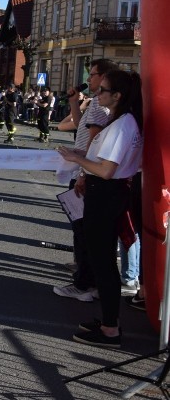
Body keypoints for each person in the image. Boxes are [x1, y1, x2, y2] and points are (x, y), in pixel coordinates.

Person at [57, 69, 143, 348]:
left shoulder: (123, 124)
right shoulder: (118, 121)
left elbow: (107, 170)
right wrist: (84, 157)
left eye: (102, 90)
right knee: (100, 260)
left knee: (104, 263)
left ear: (117, 96)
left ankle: (110, 329)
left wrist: (76, 159)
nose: (97, 94)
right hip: (104, 192)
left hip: (106, 193)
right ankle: (109, 321)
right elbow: (103, 159)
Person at [53, 59, 116, 302]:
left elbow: (93, 140)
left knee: (84, 230)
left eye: (93, 75)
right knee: (82, 228)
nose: (89, 79)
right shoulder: (96, 104)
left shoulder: (100, 107)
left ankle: (84, 281)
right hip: (84, 169)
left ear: (105, 78)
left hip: (86, 173)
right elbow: (80, 126)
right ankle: (85, 272)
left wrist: (82, 173)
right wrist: (73, 102)